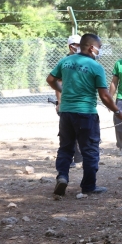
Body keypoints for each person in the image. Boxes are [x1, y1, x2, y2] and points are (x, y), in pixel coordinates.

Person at [46, 33, 122, 196]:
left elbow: (50, 79)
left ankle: (62, 176)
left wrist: (64, 90)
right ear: (91, 47)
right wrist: (118, 111)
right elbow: (104, 95)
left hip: (66, 113)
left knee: (65, 148)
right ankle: (89, 186)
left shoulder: (65, 61)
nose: (100, 51)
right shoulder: (95, 67)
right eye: (99, 48)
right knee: (90, 150)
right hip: (86, 114)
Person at [54, 34, 83, 168]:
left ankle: (79, 156)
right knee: (67, 132)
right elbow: (56, 82)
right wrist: (59, 101)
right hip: (67, 103)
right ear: (71, 46)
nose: (80, 47)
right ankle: (70, 158)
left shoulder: (85, 60)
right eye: (77, 45)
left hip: (82, 102)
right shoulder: (64, 62)